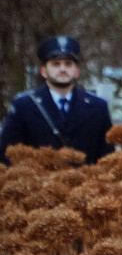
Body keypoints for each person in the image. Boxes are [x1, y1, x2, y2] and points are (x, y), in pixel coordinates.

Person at [0, 35, 113, 165]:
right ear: (43, 71)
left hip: (85, 183)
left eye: (68, 64)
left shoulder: (98, 107)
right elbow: (7, 154)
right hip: (39, 182)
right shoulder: (24, 106)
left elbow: (107, 157)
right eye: (56, 64)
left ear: (76, 71)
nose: (62, 69)